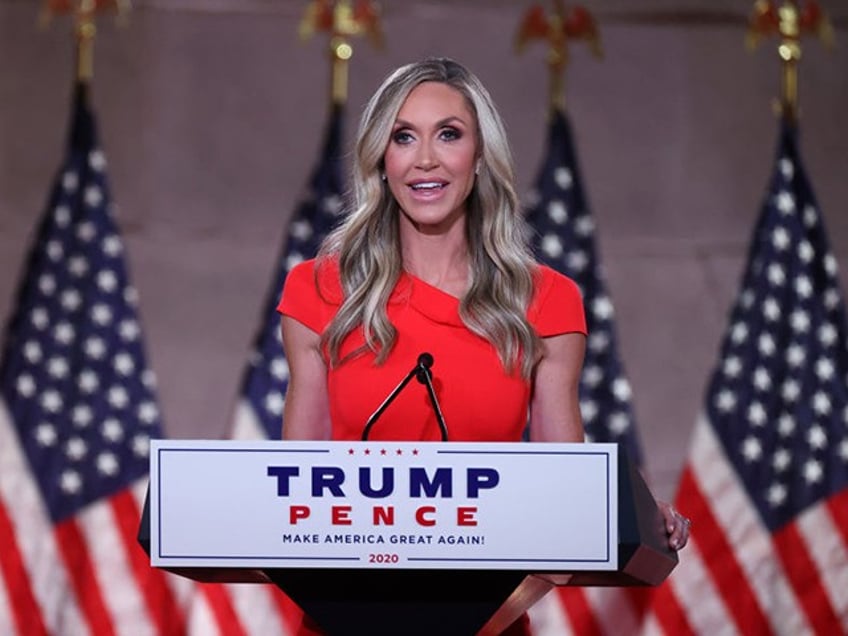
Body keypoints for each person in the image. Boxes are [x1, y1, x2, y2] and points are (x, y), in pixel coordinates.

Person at [278, 57, 689, 634]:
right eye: (403, 137)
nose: (425, 159)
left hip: (489, 621)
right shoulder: (319, 291)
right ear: (381, 160)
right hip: (343, 613)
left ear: (479, 158)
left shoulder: (545, 301)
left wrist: (633, 513)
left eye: (448, 134)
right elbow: (289, 492)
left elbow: (563, 481)